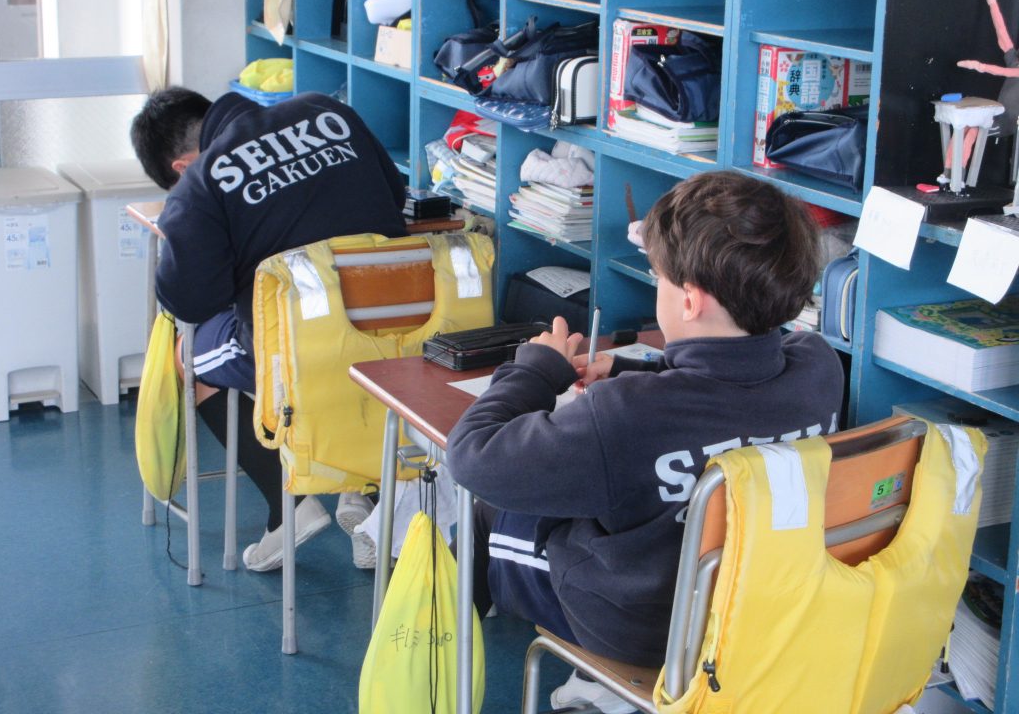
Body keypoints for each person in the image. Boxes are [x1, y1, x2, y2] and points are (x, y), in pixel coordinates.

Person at [444, 171, 844, 714]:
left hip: (643, 631)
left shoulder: (625, 414)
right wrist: (637, 367)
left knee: (487, 514)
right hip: (766, 608)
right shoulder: (818, 369)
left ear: (690, 300)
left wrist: (534, 369)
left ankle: (434, 674)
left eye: (659, 278)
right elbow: (727, 385)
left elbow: (471, 455)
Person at [131, 86, 407, 572]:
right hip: (397, 330)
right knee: (341, 353)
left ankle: (290, 509)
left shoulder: (201, 183)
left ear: (181, 167)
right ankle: (365, 497)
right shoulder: (329, 110)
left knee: (188, 358)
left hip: (303, 349)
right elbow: (395, 195)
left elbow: (189, 301)